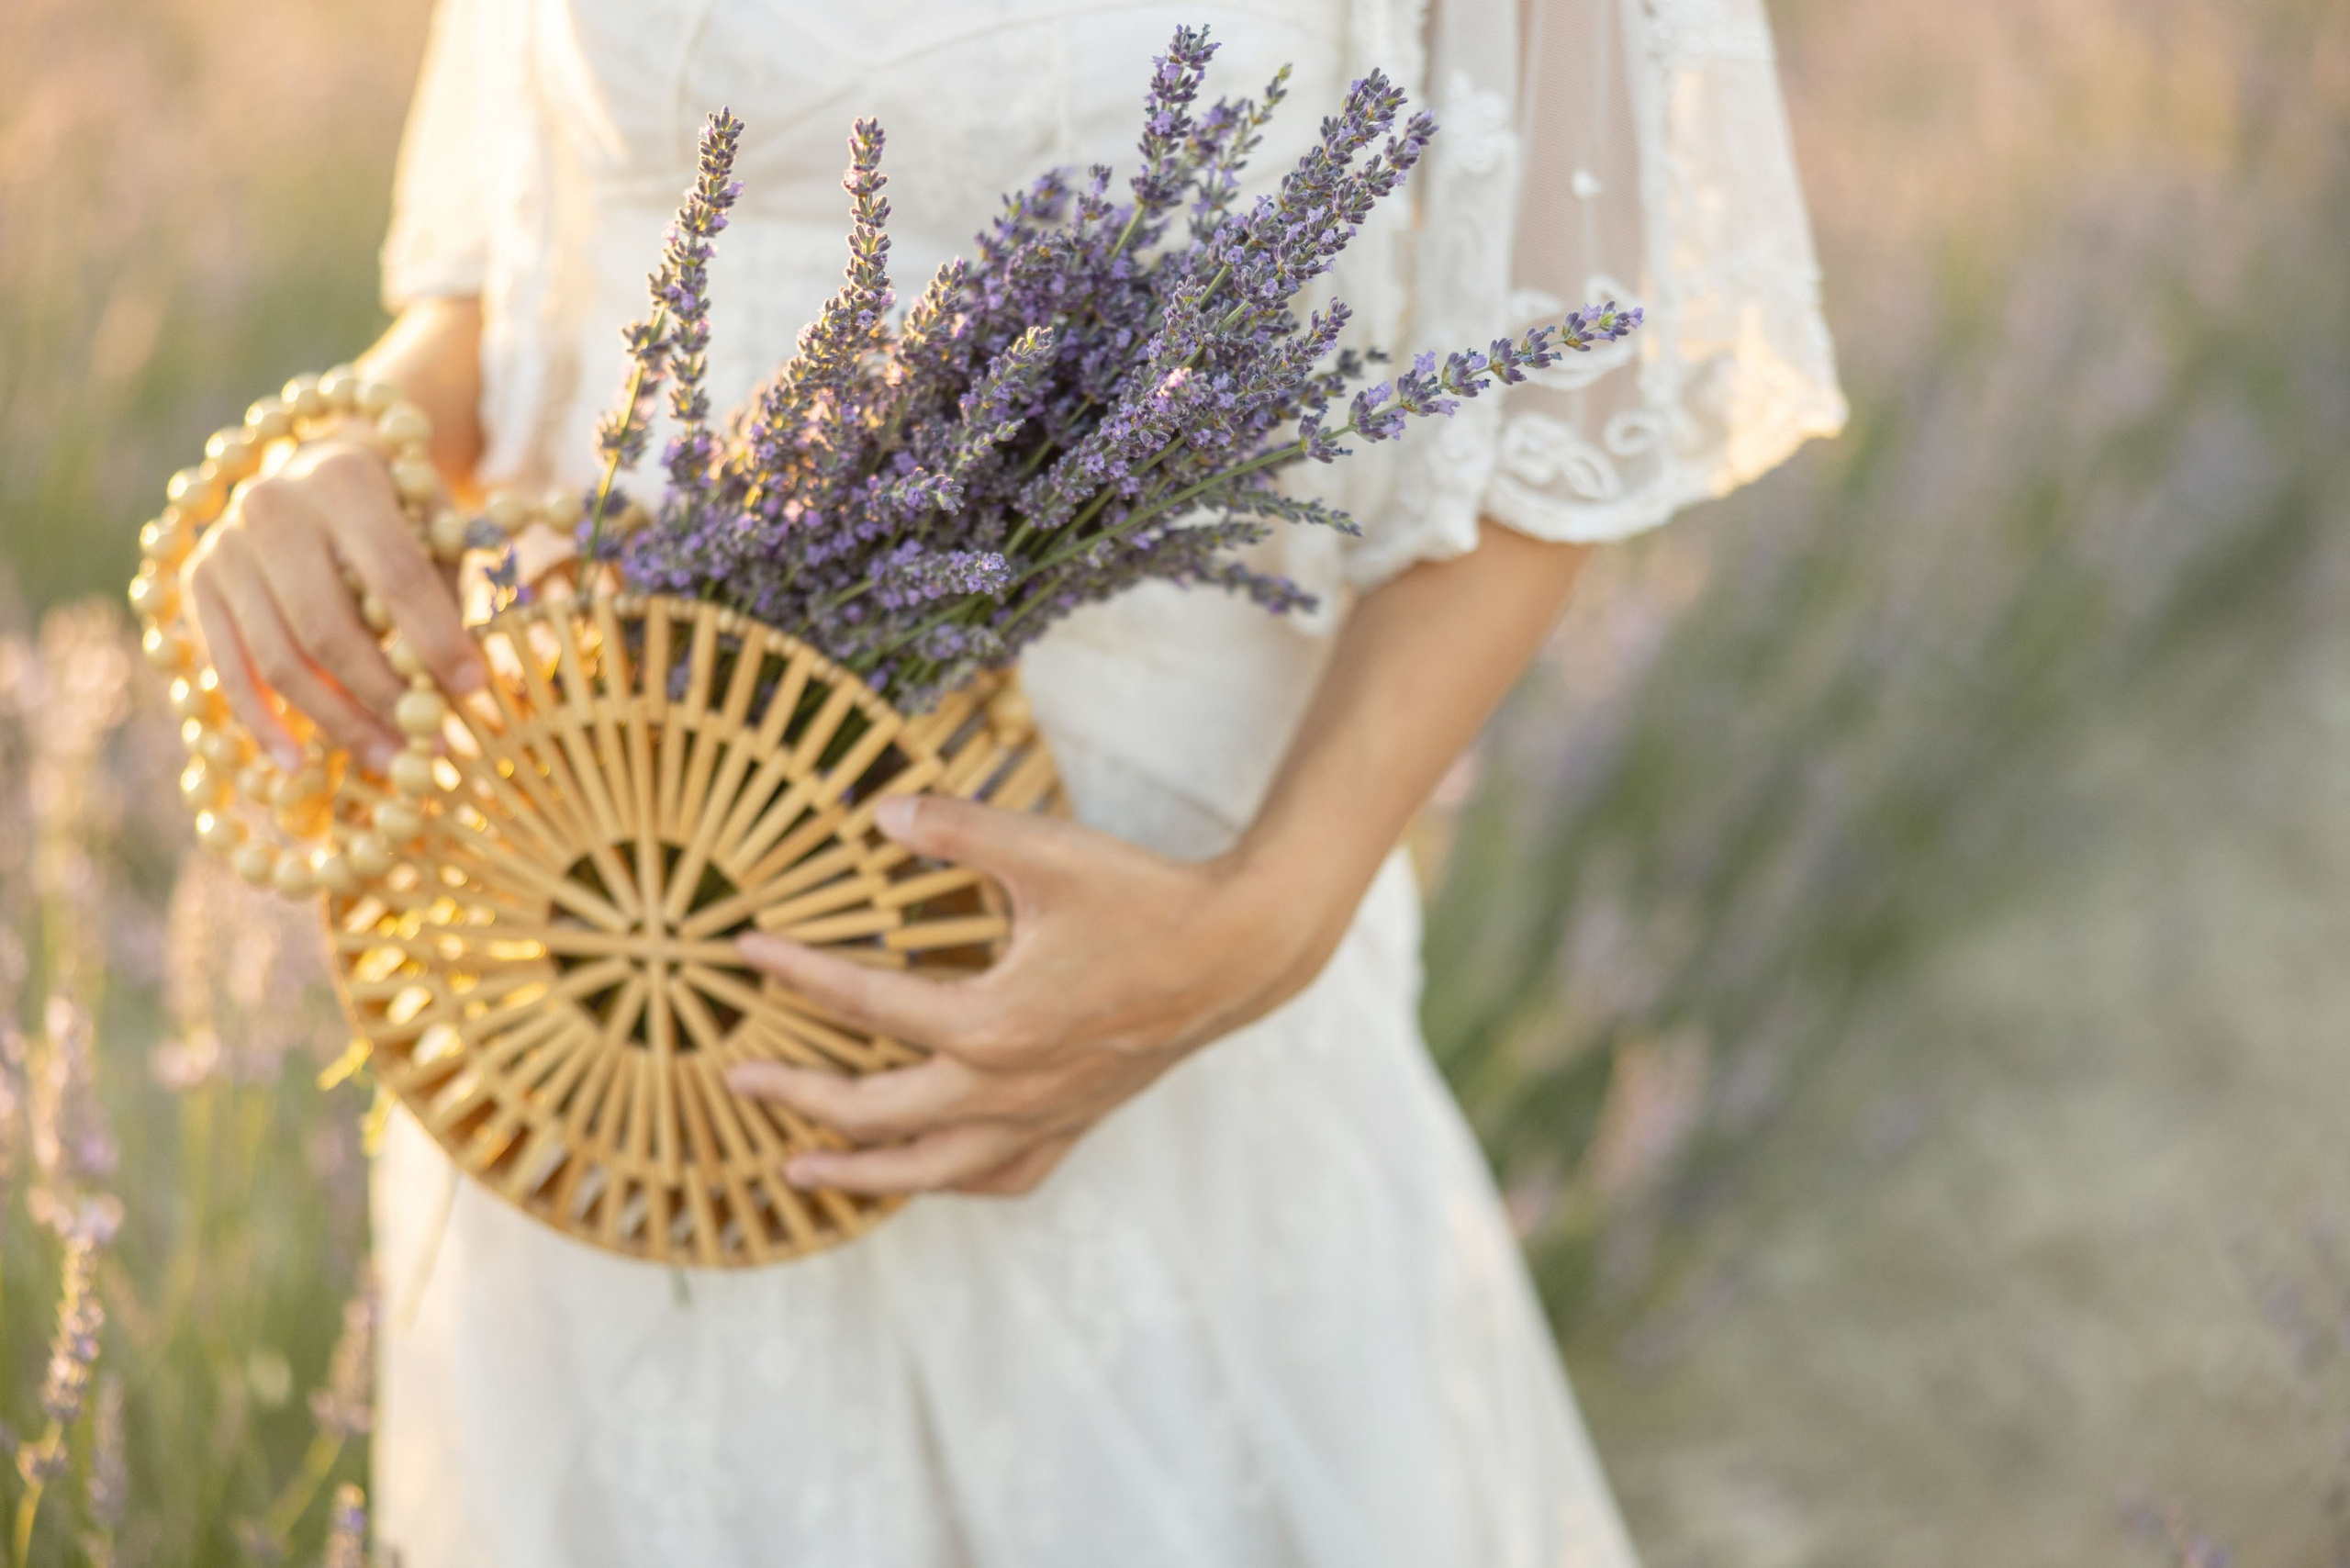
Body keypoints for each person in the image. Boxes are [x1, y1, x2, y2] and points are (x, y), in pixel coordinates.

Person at [182, 0, 1843, 1561]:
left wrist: (1261, 922)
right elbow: (519, 267)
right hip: (611, 983)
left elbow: (1561, 384)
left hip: (1142, 969)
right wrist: (346, 448)